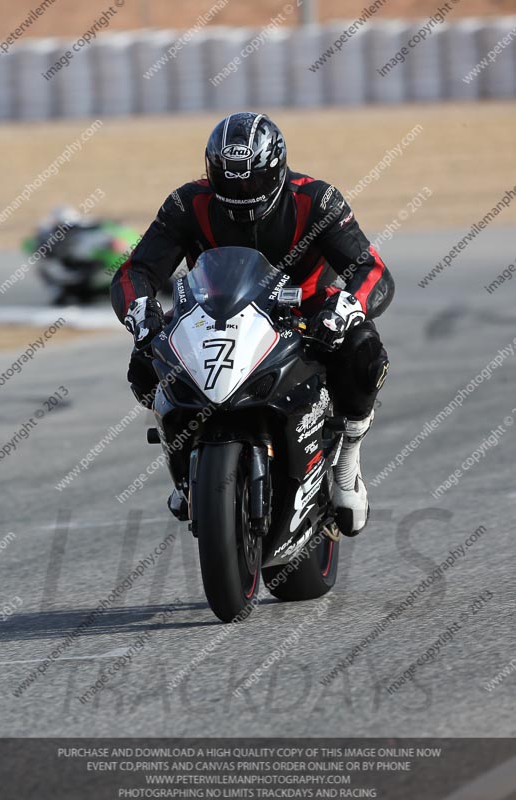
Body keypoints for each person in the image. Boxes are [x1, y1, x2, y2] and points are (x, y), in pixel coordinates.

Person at [110, 112, 394, 537]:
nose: (243, 192)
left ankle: (347, 462)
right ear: (210, 173)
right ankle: (185, 460)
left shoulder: (317, 199)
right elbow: (135, 271)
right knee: (144, 358)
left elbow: (372, 271)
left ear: (277, 170)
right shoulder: (187, 203)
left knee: (363, 351)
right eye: (230, 183)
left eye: (254, 182)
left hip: (304, 314)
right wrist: (142, 313)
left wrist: (347, 308)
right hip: (213, 313)